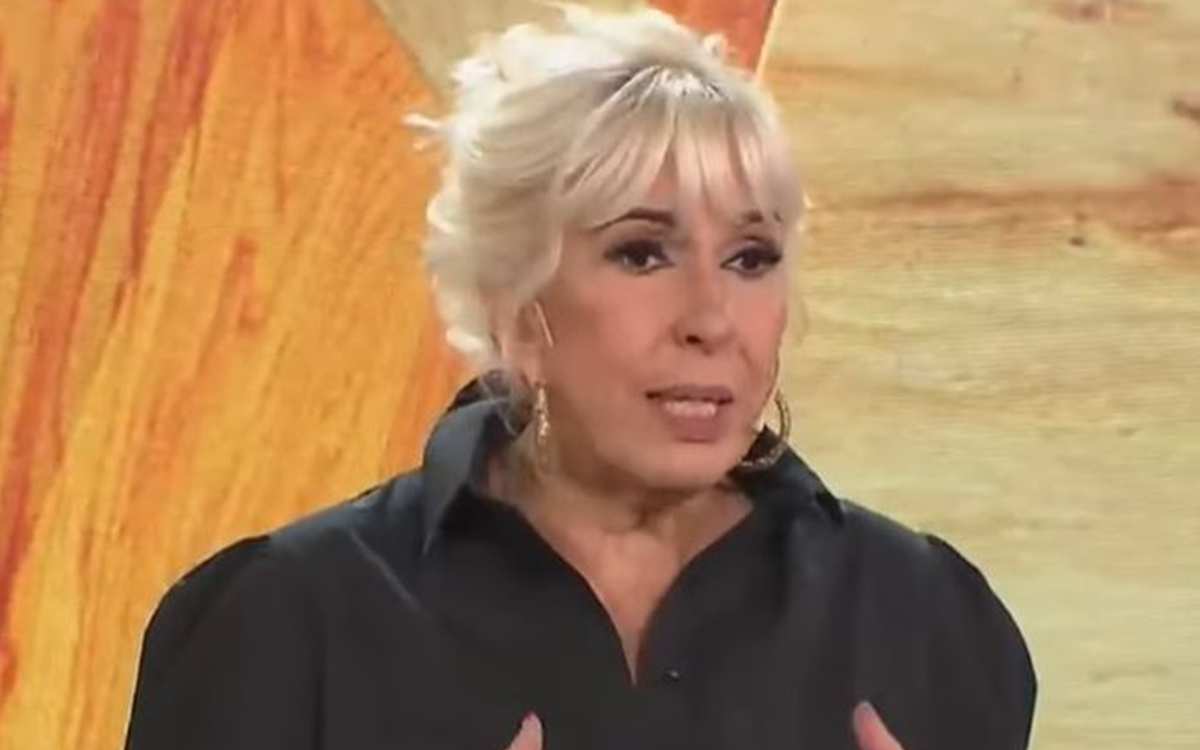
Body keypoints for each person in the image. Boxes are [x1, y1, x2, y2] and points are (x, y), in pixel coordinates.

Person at [123, 6, 1036, 750]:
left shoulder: (925, 619)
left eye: (750, 258)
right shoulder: (284, 621)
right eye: (642, 253)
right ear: (515, 304)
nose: (711, 319)